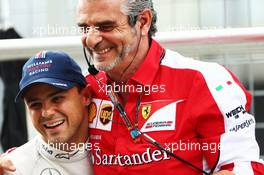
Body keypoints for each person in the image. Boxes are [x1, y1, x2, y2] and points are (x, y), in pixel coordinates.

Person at [77, 0, 264, 175]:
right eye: (85, 28)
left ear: (143, 22)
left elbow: (244, 167)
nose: (91, 40)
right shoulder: (84, 88)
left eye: (106, 26)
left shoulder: (205, 81)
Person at [0, 51, 94, 175]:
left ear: (85, 96)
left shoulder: (116, 149)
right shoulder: (13, 168)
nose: (47, 113)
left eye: (57, 99)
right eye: (35, 104)